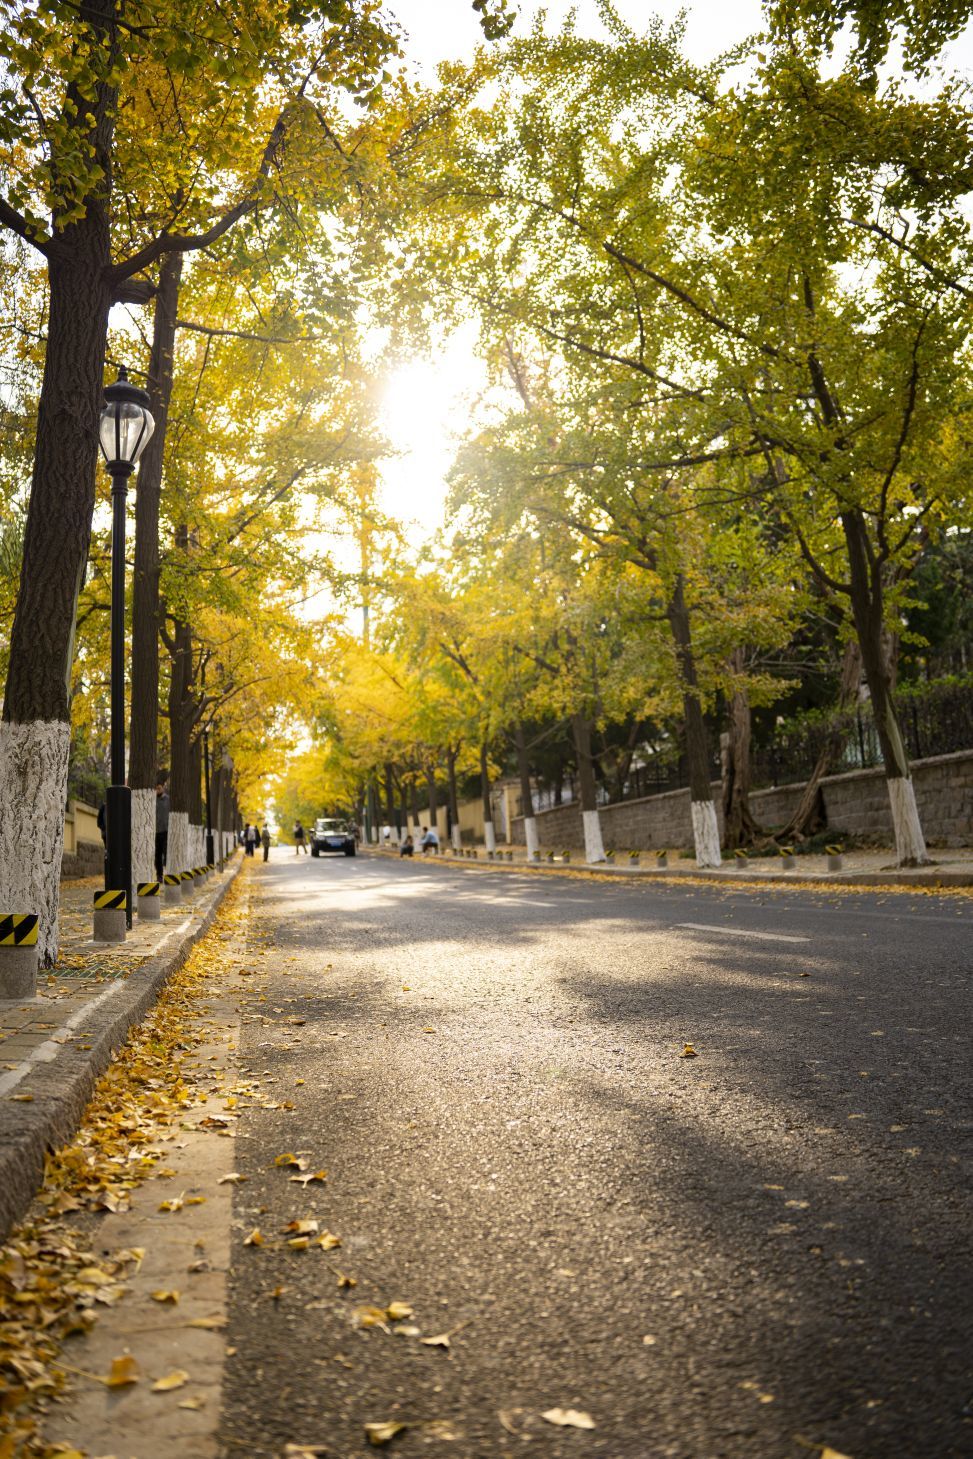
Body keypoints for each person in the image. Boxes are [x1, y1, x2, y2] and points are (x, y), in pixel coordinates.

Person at [155, 774, 170, 880]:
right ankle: (159, 875)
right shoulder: (152, 799)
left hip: (166, 831)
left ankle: (168, 873)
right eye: (156, 789)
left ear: (163, 788)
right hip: (156, 832)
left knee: (167, 853)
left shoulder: (168, 800)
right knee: (157, 855)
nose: (157, 790)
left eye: (159, 788)